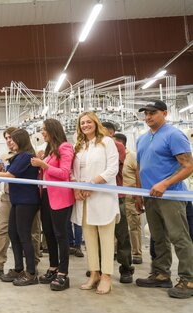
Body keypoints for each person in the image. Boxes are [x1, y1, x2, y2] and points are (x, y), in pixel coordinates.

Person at [134, 100, 193, 299]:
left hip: (171, 195)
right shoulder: (142, 139)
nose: (148, 116)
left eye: (153, 112)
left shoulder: (174, 135)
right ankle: (161, 274)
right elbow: (140, 167)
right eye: (146, 113)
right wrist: (139, 193)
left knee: (179, 237)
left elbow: (188, 166)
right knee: (157, 237)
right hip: (149, 196)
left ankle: (189, 279)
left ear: (165, 113)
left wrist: (165, 184)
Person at [0, 129, 41, 286]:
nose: (10, 142)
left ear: (21, 140)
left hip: (27, 201)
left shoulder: (26, 156)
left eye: (13, 139)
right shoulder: (18, 156)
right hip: (17, 200)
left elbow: (10, 176)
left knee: (24, 235)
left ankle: (30, 273)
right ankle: (18, 268)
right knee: (13, 234)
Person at [72, 112, 119, 295]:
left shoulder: (107, 142)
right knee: (89, 239)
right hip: (83, 198)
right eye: (82, 123)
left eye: (88, 122)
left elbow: (112, 169)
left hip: (102, 196)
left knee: (106, 238)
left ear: (95, 123)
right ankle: (94, 274)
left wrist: (92, 184)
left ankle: (107, 276)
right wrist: (77, 188)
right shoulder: (79, 146)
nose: (85, 125)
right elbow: (73, 172)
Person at [30, 119, 74, 291]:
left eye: (44, 129)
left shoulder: (65, 147)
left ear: (52, 130)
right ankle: (53, 267)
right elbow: (48, 173)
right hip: (47, 195)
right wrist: (42, 164)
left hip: (60, 197)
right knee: (48, 232)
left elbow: (64, 173)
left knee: (60, 235)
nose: (42, 132)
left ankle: (63, 273)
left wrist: (44, 165)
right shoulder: (50, 150)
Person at [102, 122, 134, 284]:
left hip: (117, 195)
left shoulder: (118, 146)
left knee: (121, 234)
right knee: (99, 233)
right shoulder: (93, 146)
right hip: (98, 196)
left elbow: (110, 168)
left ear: (112, 133)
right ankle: (100, 267)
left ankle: (126, 267)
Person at [114, 133, 143, 265]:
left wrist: (139, 195)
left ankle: (136, 253)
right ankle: (116, 252)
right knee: (119, 229)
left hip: (130, 196)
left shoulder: (131, 156)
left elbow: (138, 175)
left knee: (133, 226)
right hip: (116, 196)